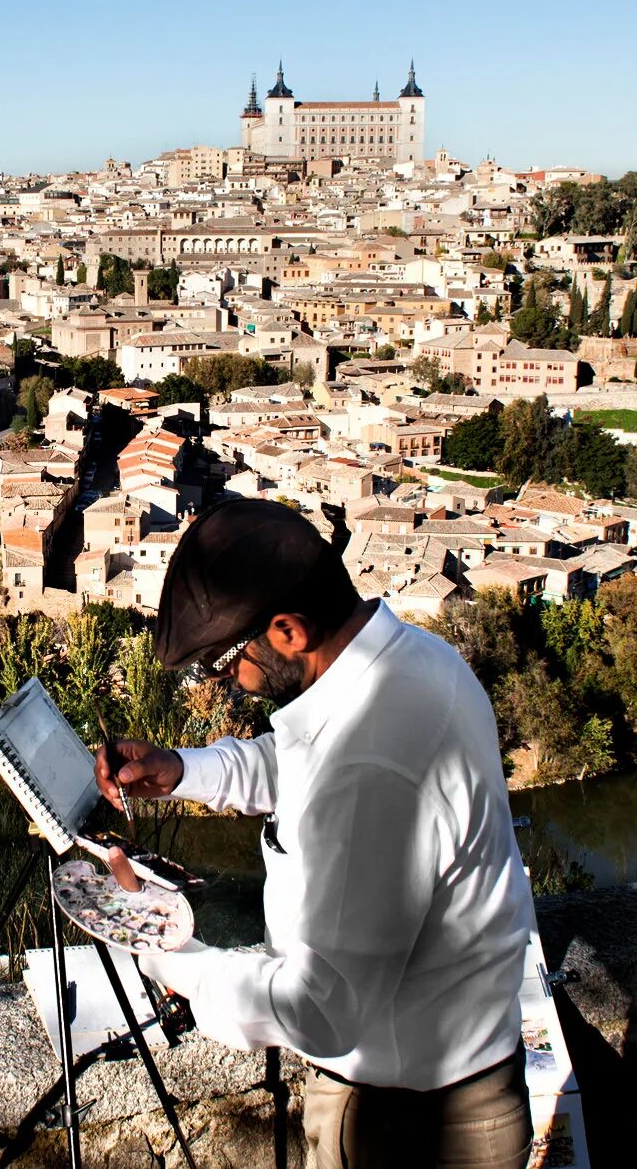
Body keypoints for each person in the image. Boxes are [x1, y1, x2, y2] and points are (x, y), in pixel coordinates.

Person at [94, 499, 535, 1169]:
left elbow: (320, 1008)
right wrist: (180, 770)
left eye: (226, 663)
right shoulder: (406, 662)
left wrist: (163, 950)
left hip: (412, 1123)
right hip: (431, 1083)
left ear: (288, 630)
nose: (228, 684)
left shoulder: (372, 760)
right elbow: (295, 762)